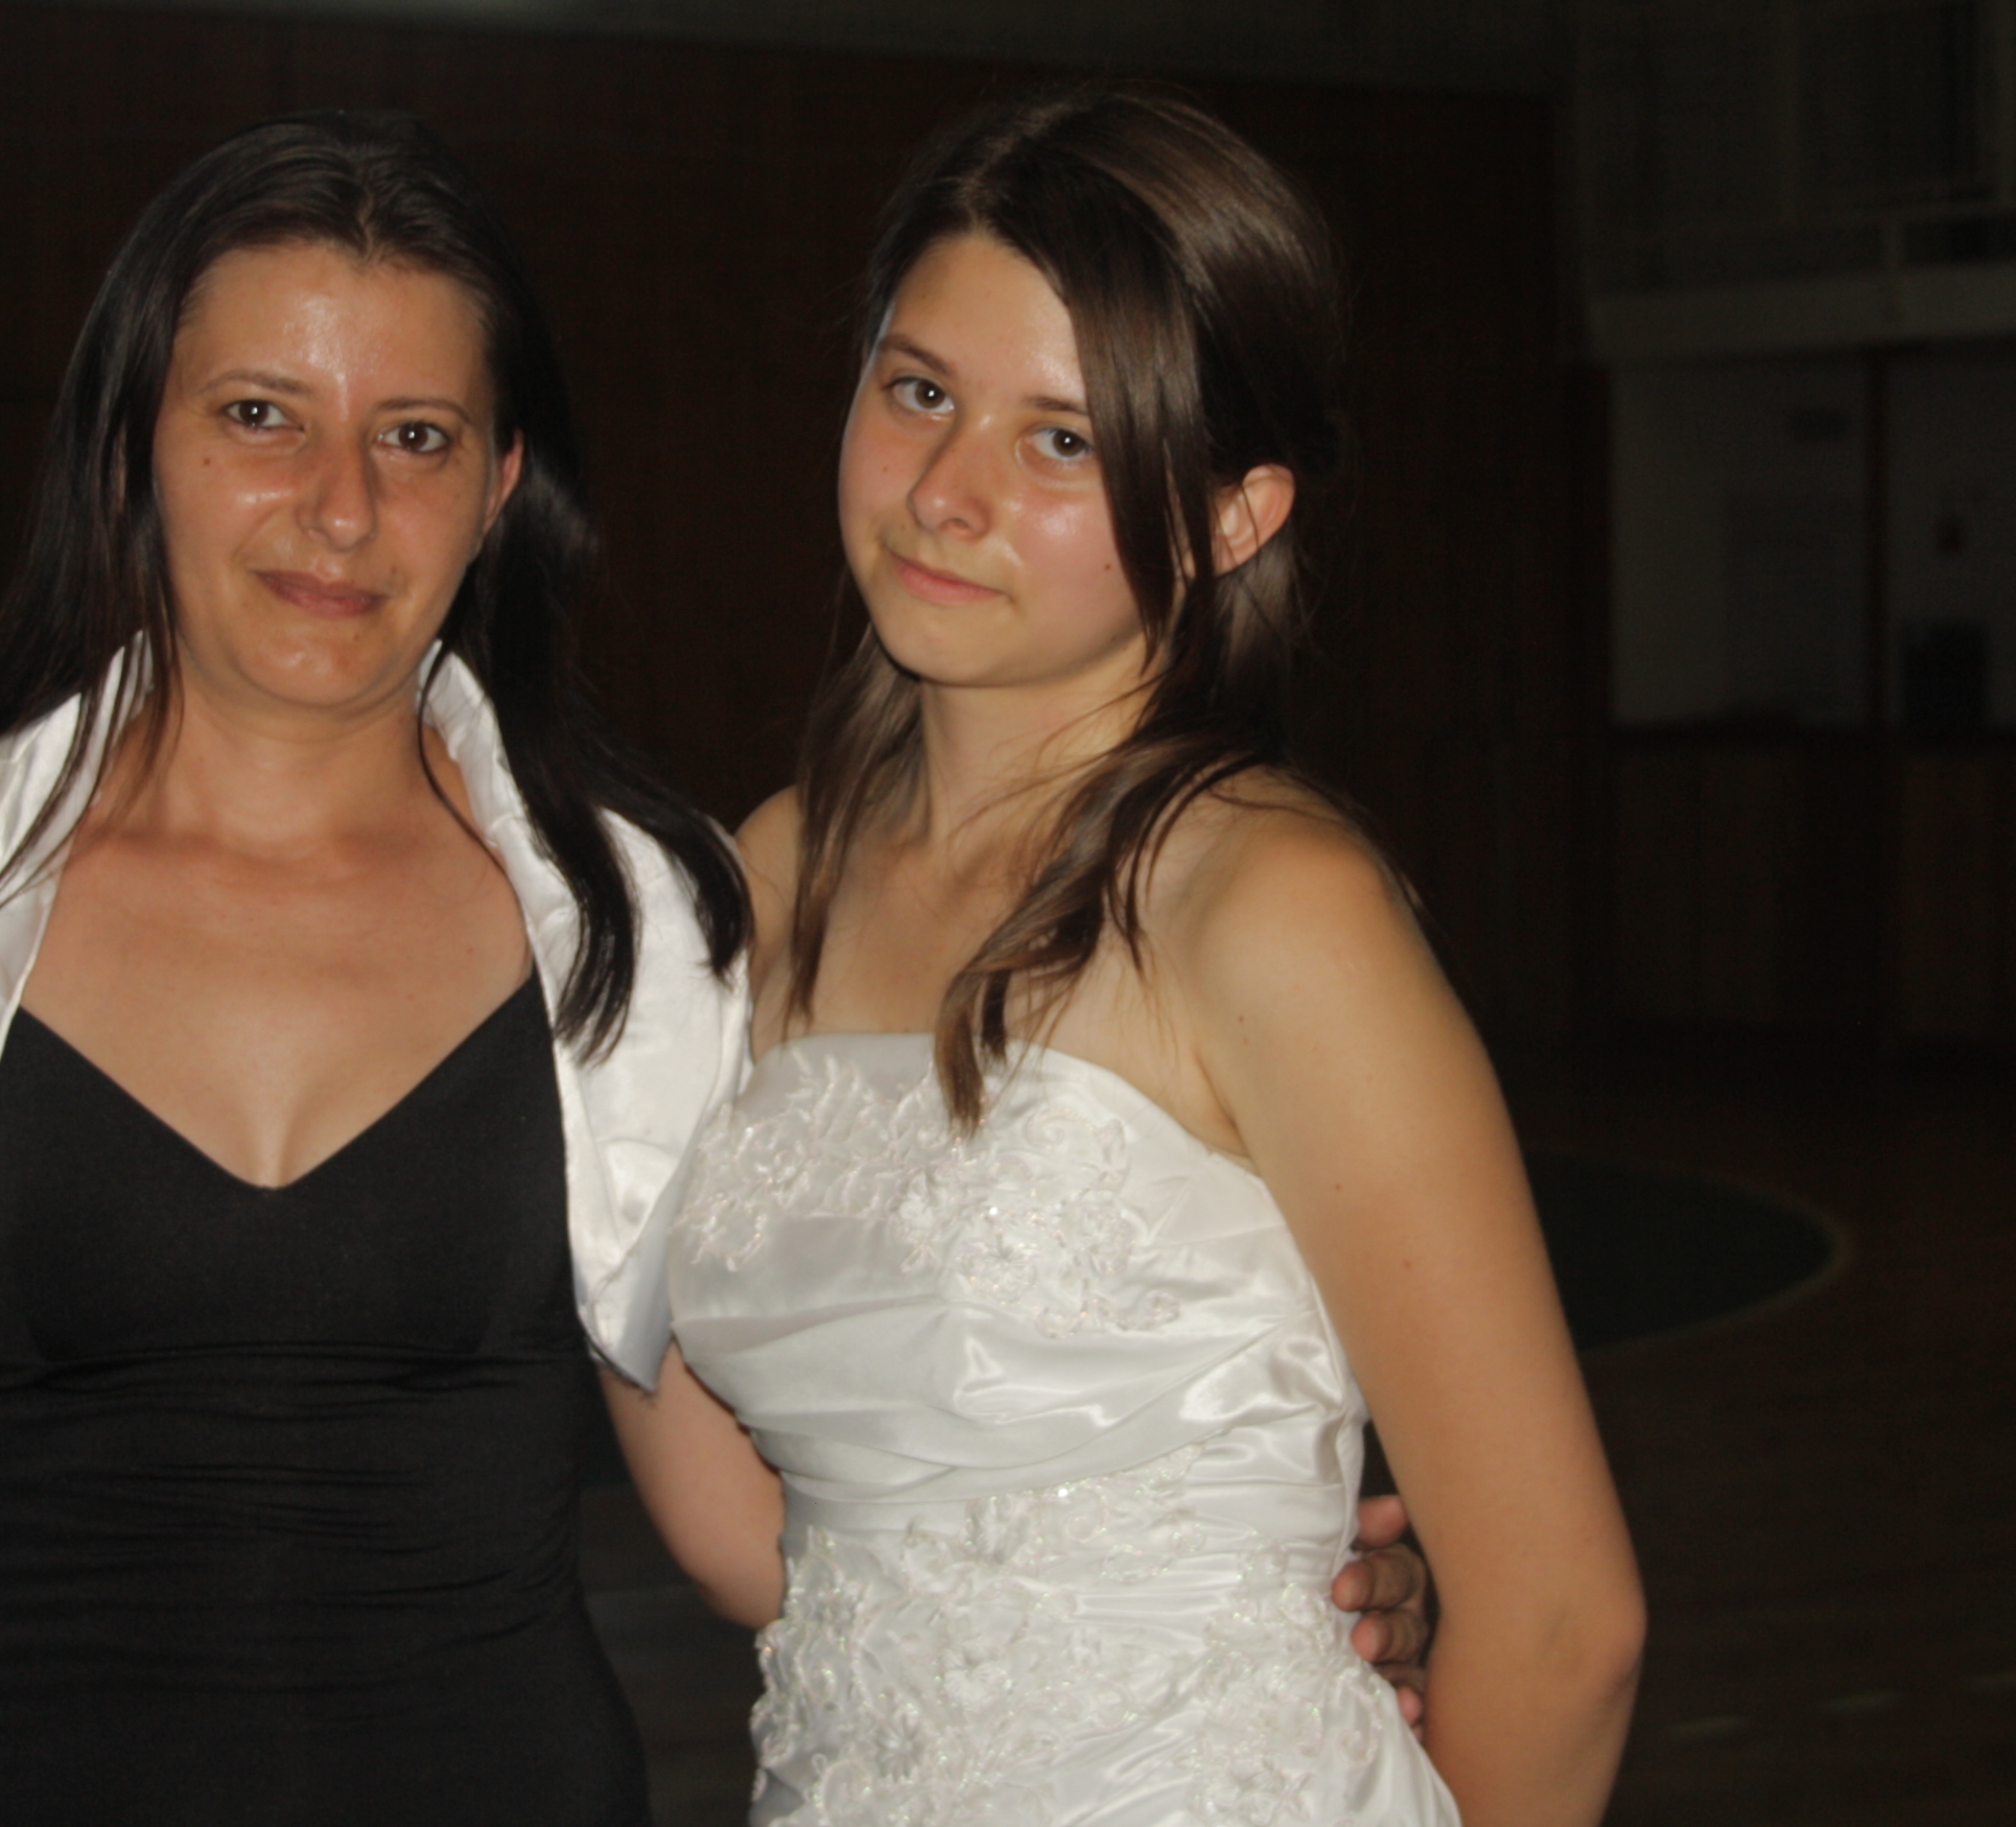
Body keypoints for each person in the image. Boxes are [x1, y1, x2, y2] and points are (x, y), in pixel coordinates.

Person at [0, 108, 1430, 1826]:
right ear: (135, 441)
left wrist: (1237, 1611)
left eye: (416, 436)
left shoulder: (648, 926)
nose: (338, 509)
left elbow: (760, 1533)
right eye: (260, 416)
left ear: (499, 487)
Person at [619, 87, 1646, 1824]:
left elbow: (1563, 1627)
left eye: (1064, 442)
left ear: (1233, 515)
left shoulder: (1267, 907)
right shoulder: (764, 881)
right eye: (920, 391)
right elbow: (752, 1555)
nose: (946, 494)